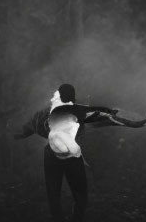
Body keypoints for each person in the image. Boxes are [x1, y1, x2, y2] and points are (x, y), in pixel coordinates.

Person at [14, 83, 119, 222]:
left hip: (52, 154)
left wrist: (19, 134)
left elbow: (28, 128)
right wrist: (111, 114)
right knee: (79, 195)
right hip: (69, 155)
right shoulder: (77, 111)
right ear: (73, 96)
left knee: (54, 195)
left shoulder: (46, 111)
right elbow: (96, 117)